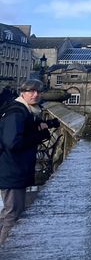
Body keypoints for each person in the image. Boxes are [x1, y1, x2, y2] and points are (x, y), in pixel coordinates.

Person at [0, 77, 51, 244]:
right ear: (23, 92)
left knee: (11, 212)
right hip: (12, 170)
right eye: (31, 91)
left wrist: (41, 128)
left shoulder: (26, 111)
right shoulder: (17, 112)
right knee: (13, 214)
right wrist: (39, 135)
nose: (35, 94)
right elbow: (12, 143)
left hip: (15, 169)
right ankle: (6, 255)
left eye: (39, 91)